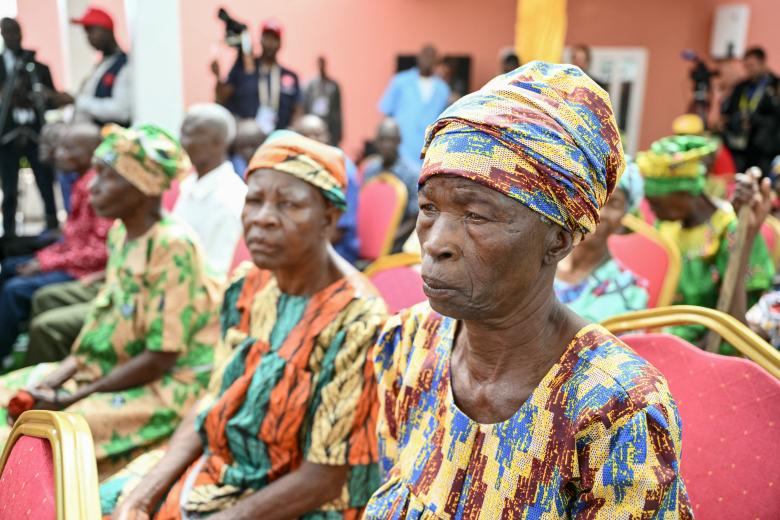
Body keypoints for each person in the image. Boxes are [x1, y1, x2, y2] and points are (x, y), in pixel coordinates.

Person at [365, 62, 692, 517]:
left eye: (475, 216)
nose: (436, 241)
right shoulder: (406, 346)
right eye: (428, 207)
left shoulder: (614, 410)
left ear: (558, 239)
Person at [102, 130, 386, 518]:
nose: (263, 219)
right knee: (107, 500)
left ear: (330, 217)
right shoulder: (247, 285)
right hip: (226, 469)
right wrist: (143, 494)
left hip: (302, 503)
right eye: (254, 201)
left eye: (288, 204)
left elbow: (324, 477)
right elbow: (212, 400)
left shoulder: (359, 319)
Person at [0, 124, 221, 479]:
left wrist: (72, 398)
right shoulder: (121, 235)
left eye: (108, 176)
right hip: (108, 370)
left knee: (43, 437)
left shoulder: (172, 246)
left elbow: (160, 358)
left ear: (144, 188)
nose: (91, 185)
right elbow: (103, 325)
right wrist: (54, 380)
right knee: (10, 393)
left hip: (166, 387)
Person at [637, 134, 774, 348]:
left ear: (684, 193)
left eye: (657, 204)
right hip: (659, 331)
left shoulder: (729, 229)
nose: (652, 211)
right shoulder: (666, 227)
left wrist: (745, 235)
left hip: (708, 344)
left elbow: (738, 320)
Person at [0, 122, 112, 360]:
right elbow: (73, 240)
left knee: (14, 289)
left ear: (93, 151)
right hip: (73, 263)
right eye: (61, 148)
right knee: (9, 267)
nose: (60, 154)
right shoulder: (79, 182)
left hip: (87, 273)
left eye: (70, 149)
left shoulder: (99, 189)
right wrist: (43, 260)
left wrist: (44, 264)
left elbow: (100, 251)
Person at [555, 160, 650, 322]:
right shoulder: (537, 259)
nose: (600, 212)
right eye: (594, 197)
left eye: (614, 204)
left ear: (624, 217)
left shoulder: (630, 290)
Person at [0, 17, 60, 238]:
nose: (13, 36)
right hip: (7, 137)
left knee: (44, 182)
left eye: (16, 31)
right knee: (9, 188)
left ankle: (52, 224)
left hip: (35, 134)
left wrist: (38, 96)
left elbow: (52, 100)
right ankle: (9, 234)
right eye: (7, 32)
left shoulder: (37, 66)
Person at [174, 103, 247, 279]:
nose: (182, 142)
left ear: (218, 142)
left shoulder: (230, 197)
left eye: (190, 134)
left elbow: (217, 273)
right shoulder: (188, 185)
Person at [213, 19, 302, 134]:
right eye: (267, 38)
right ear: (261, 40)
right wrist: (217, 76)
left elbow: (298, 110)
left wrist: (292, 134)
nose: (270, 43)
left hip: (278, 139)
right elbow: (222, 98)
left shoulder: (290, 76)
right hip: (246, 139)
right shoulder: (244, 67)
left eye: (274, 39)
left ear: (280, 43)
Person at [292, 114, 360, 263]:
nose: (313, 140)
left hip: (336, 252)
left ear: (327, 136)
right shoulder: (294, 168)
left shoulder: (343, 171)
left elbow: (337, 232)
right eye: (305, 136)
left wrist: (300, 252)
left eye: (318, 134)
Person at [379, 44, 450, 168]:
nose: (427, 60)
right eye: (425, 56)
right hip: (402, 152)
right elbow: (387, 114)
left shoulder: (443, 89)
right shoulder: (400, 81)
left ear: (436, 61)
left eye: (431, 57)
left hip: (428, 155)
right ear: (418, 58)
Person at [721, 47, 780, 176]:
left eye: (752, 65)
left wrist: (754, 118)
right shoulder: (742, 86)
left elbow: (776, 118)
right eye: (746, 66)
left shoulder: (775, 85)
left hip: (766, 148)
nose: (749, 70)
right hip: (741, 146)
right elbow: (729, 111)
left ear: (762, 63)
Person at [69, 7, 132, 127]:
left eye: (91, 31)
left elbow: (121, 111)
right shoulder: (102, 64)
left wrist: (77, 101)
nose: (88, 37)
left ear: (106, 31)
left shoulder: (125, 65)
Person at [362, 117, 419, 252]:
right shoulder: (370, 170)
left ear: (399, 141)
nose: (386, 144)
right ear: (376, 142)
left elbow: (414, 219)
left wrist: (386, 240)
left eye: (391, 139)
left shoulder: (412, 174)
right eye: (382, 139)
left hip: (399, 244)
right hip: (369, 241)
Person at [303, 56, 342, 146]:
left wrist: (338, 132)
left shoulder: (333, 85)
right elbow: (306, 107)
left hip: (329, 126)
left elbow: (337, 110)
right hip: (313, 125)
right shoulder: (310, 85)